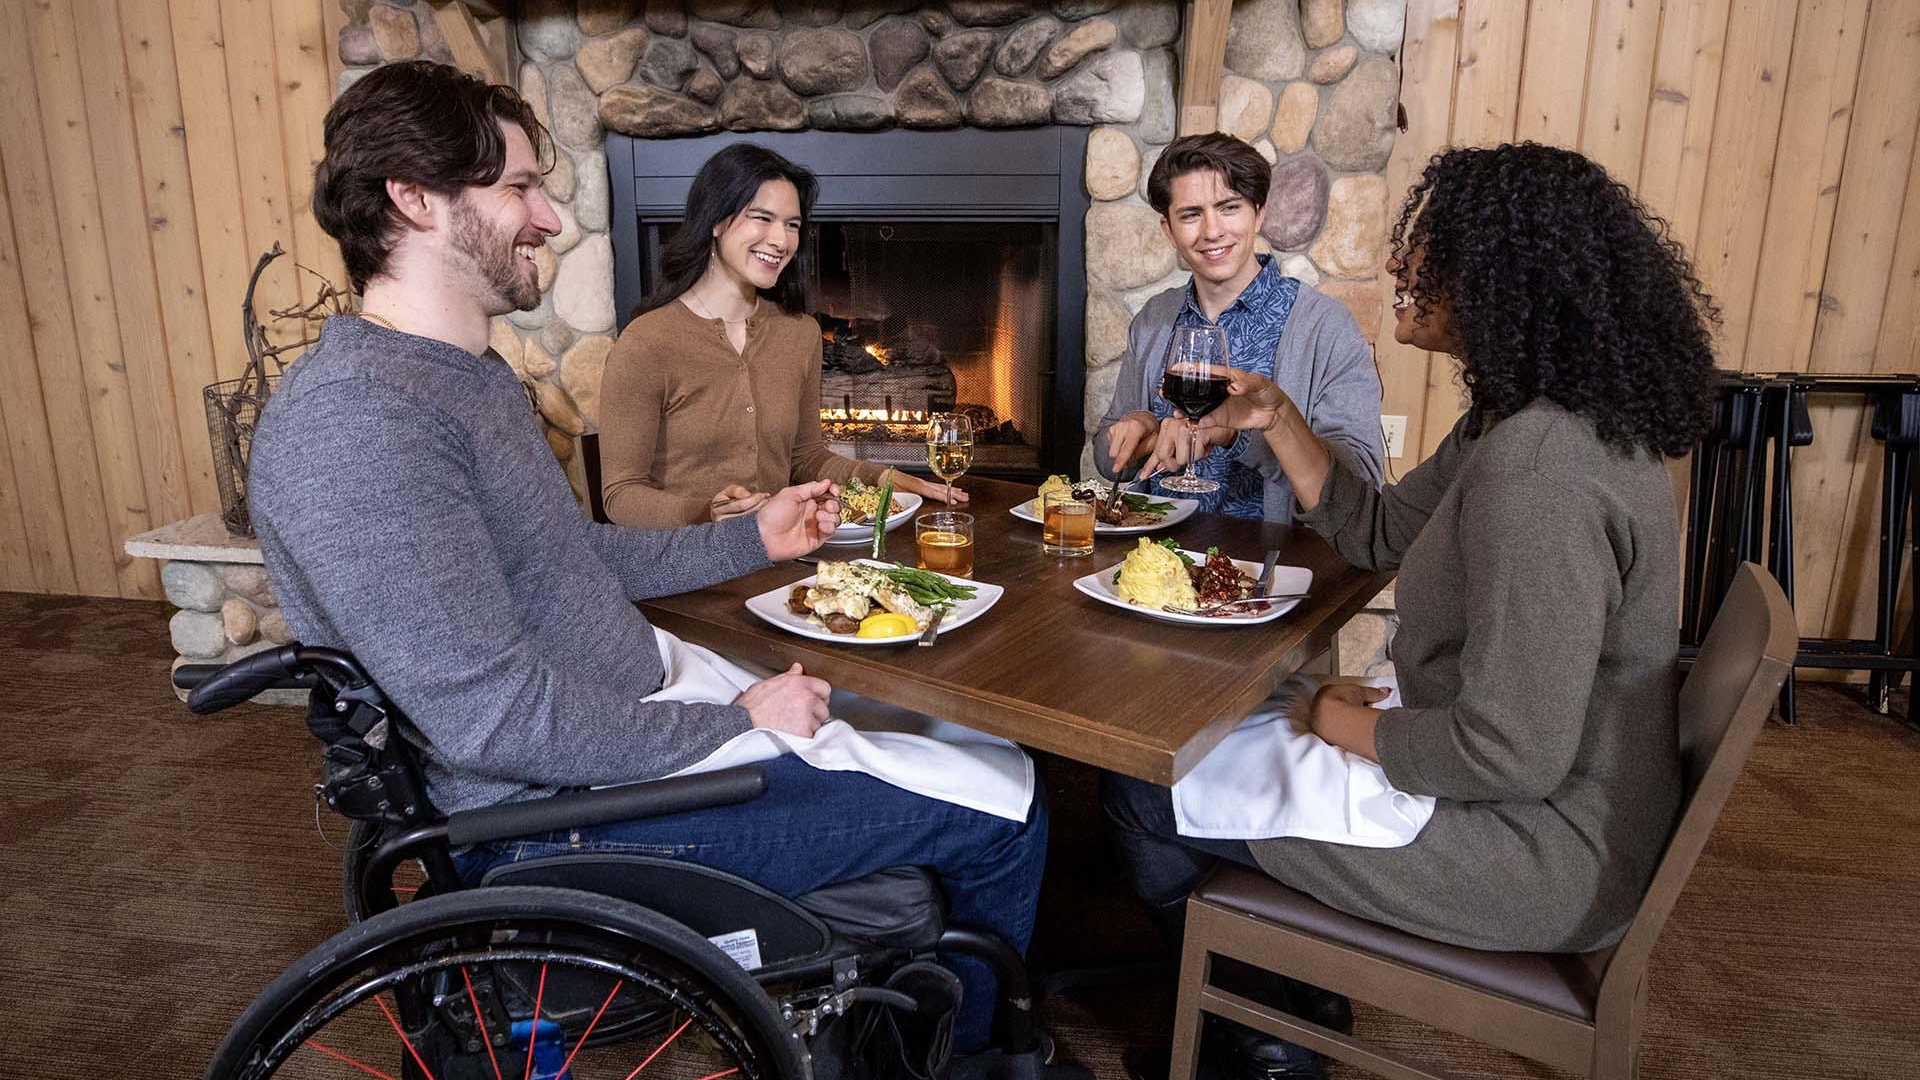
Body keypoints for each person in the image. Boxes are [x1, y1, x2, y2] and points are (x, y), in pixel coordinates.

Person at [249, 60, 1043, 1053]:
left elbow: (569, 559)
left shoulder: (462, 378)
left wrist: (748, 537)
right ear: (413, 198)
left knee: (973, 741)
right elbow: (494, 721)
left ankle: (892, 1030)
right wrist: (729, 719)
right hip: (573, 814)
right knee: (1006, 807)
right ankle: (970, 1060)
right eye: (519, 188)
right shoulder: (361, 426)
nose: (550, 219)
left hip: (630, 728)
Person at [1105, 142, 1721, 1079]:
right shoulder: (1514, 422)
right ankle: (1290, 985)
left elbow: (1510, 752)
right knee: (1221, 734)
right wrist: (1275, 415)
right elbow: (1376, 531)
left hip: (1533, 851)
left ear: (1502, 276)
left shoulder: (1540, 470)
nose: (1397, 264)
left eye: (1428, 246)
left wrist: (1333, 716)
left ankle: (1263, 1041)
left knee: (1146, 788)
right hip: (1533, 789)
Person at [597, 143, 964, 526]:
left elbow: (806, 458)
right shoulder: (647, 343)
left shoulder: (800, 334)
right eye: (762, 218)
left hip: (776, 554)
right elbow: (621, 496)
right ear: (716, 221)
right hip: (686, 565)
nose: (781, 241)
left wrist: (887, 478)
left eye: (792, 225)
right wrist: (705, 513)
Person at [1092, 133, 1383, 520]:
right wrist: (1141, 431)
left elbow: (1360, 481)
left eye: (1229, 208)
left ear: (1258, 213)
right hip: (1158, 560)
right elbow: (1104, 458)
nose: (1212, 231)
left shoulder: (1324, 326)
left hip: (1273, 565)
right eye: (1191, 214)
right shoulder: (1154, 319)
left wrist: (1236, 438)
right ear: (1168, 230)